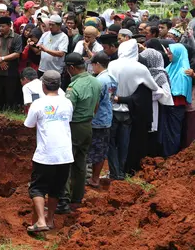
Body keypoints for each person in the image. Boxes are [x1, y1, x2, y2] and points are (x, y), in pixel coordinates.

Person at [24, 70, 74, 232]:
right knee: (56, 189)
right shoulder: (67, 102)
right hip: (65, 154)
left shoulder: (38, 104)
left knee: (37, 188)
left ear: (43, 86)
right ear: (59, 85)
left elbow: (29, 125)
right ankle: (50, 220)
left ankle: (40, 220)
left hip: (45, 154)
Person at [56, 53, 101, 213]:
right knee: (81, 163)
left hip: (74, 126)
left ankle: (64, 201)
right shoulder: (96, 81)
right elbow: (96, 105)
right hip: (88, 125)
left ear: (72, 68)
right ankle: (77, 198)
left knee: (67, 163)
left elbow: (68, 110)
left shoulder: (74, 87)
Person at [107, 39, 159, 179]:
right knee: (124, 143)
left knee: (111, 143)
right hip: (128, 110)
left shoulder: (112, 64)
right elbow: (154, 87)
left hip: (112, 108)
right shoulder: (140, 68)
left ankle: (113, 171)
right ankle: (122, 172)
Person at [87, 52, 117, 188]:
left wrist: (89, 116)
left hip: (97, 119)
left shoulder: (99, 81)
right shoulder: (112, 78)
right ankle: (95, 178)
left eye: (93, 65)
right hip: (107, 117)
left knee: (91, 149)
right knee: (101, 150)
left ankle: (91, 178)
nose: (92, 68)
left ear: (97, 64)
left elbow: (95, 102)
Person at [162, 43, 192, 156]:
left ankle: (171, 155)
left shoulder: (183, 72)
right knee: (167, 131)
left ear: (178, 55)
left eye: (170, 53)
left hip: (175, 105)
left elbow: (179, 92)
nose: (168, 55)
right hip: (168, 104)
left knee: (173, 131)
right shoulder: (170, 67)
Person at [0, 16, 22, 109]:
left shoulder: (17, 37)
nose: (1, 28)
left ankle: (9, 111)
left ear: (9, 26)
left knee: (9, 93)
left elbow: (17, 53)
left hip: (10, 69)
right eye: (0, 26)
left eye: (3, 26)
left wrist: (2, 58)